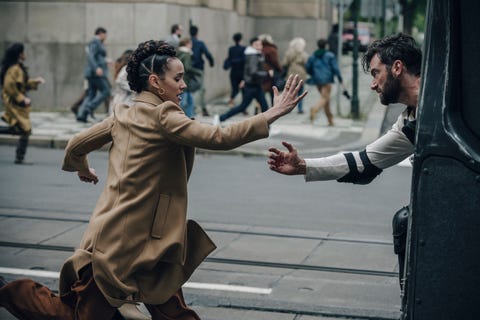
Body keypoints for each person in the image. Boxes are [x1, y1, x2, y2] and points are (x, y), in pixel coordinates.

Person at [0, 39, 306, 320]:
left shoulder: (123, 114)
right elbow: (219, 136)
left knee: (174, 314)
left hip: (151, 243)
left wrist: (81, 167)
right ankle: (7, 293)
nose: (184, 85)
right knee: (74, 315)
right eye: (177, 78)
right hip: (120, 250)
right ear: (155, 82)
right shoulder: (165, 117)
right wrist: (271, 114)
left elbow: (75, 145)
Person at [267, 33, 422, 287]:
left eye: (375, 73)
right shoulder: (409, 121)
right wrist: (304, 166)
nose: (373, 84)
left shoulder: (450, 102)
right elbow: (363, 162)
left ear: (397, 67)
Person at [0, 43, 45, 164]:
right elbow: (9, 86)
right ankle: (19, 158)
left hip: (16, 103)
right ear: (19, 54)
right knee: (25, 128)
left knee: (20, 128)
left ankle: (19, 157)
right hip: (14, 103)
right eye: (23, 52)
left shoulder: (17, 67)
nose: (25, 55)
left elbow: (22, 83)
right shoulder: (14, 68)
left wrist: (35, 82)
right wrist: (22, 98)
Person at [215, 37, 269, 124]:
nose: (260, 46)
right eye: (257, 45)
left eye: (260, 44)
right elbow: (253, 71)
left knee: (264, 106)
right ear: (252, 45)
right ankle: (221, 118)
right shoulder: (253, 55)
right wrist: (266, 73)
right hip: (251, 86)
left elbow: (247, 69)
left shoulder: (255, 54)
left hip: (255, 85)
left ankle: (266, 126)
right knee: (243, 107)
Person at [305, 38, 344, 126]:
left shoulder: (313, 56)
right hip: (327, 79)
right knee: (325, 98)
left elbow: (308, 67)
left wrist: (313, 74)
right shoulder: (330, 55)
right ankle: (314, 110)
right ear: (326, 45)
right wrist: (340, 78)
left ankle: (330, 120)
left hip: (317, 80)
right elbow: (335, 68)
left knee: (326, 99)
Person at [76, 27, 111, 123]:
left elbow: (97, 56)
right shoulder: (95, 42)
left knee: (91, 94)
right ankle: (89, 107)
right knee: (106, 91)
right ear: (101, 33)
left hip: (93, 72)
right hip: (95, 73)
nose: (106, 37)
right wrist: (96, 68)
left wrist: (106, 61)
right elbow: (91, 56)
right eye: (105, 35)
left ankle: (82, 115)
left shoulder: (97, 43)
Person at [190, 25, 214, 116]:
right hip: (198, 69)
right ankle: (200, 108)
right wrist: (212, 63)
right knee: (201, 89)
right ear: (197, 33)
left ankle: (196, 107)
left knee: (190, 88)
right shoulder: (200, 43)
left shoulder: (188, 42)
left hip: (188, 69)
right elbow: (208, 54)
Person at [177, 37, 202, 118]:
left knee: (189, 100)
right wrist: (198, 72)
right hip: (186, 80)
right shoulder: (187, 54)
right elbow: (187, 67)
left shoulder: (177, 52)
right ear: (187, 44)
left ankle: (189, 119)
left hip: (179, 79)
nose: (191, 45)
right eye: (190, 44)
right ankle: (185, 119)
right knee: (185, 102)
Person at [282, 37, 308, 114]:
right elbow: (306, 64)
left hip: (291, 73)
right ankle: (300, 108)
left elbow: (285, 63)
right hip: (301, 73)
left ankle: (287, 107)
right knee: (300, 92)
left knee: (290, 92)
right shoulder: (304, 54)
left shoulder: (289, 53)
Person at [259, 34, 283, 106]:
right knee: (273, 90)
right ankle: (273, 106)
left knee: (262, 89)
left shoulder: (260, 49)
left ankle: (258, 105)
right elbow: (275, 61)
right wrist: (280, 69)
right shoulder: (272, 49)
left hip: (261, 71)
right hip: (271, 72)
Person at [223, 32, 246, 107]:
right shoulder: (243, 49)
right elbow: (244, 60)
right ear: (240, 39)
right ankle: (243, 106)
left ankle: (231, 101)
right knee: (243, 90)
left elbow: (229, 59)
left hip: (233, 72)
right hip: (241, 72)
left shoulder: (231, 49)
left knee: (235, 89)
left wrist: (231, 62)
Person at [109, 49, 134, 114]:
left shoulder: (125, 68)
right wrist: (132, 88)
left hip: (122, 98)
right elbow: (119, 80)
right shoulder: (126, 68)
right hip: (121, 99)